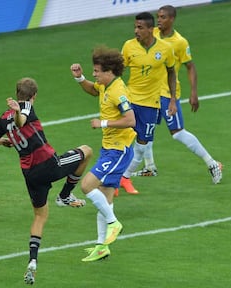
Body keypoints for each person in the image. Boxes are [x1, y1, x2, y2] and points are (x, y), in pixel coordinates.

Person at [0, 77, 92, 284]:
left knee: (40, 216)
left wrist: (2, 141)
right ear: (34, 96)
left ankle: (32, 261)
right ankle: (65, 195)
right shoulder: (25, 108)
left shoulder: (4, 118)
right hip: (49, 165)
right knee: (86, 151)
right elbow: (21, 120)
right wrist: (17, 110)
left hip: (30, 175)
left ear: (17, 92)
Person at [132, 5, 222, 184]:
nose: (159, 20)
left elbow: (190, 66)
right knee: (145, 129)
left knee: (177, 132)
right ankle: (149, 167)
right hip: (149, 93)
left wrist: (194, 92)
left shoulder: (180, 42)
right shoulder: (152, 33)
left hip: (167, 93)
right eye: (158, 16)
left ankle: (212, 163)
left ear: (172, 19)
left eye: (163, 17)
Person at [70, 45, 136, 261]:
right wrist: (80, 79)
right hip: (110, 148)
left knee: (87, 185)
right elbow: (92, 89)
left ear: (109, 71)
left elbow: (131, 120)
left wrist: (102, 123)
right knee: (104, 196)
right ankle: (102, 246)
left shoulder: (118, 90)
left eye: (97, 71)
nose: (94, 74)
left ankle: (113, 222)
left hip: (118, 150)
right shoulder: (105, 86)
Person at [119, 12, 177, 195]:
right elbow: (118, 71)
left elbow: (172, 73)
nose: (136, 31)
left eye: (140, 28)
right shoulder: (129, 46)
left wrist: (173, 99)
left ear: (151, 30)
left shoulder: (165, 49)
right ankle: (112, 181)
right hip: (129, 101)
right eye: (135, 27)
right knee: (121, 142)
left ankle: (125, 178)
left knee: (143, 144)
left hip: (151, 104)